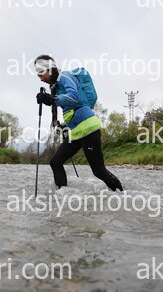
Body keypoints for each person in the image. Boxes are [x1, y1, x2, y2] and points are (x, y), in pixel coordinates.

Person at [34, 55, 123, 191]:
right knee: (55, 162)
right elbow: (70, 108)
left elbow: (74, 97)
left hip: (88, 129)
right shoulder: (57, 85)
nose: (40, 79)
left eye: (41, 74)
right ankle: (62, 195)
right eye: (38, 76)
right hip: (76, 131)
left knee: (98, 171)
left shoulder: (65, 77)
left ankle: (122, 194)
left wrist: (51, 99)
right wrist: (64, 126)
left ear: (50, 69)